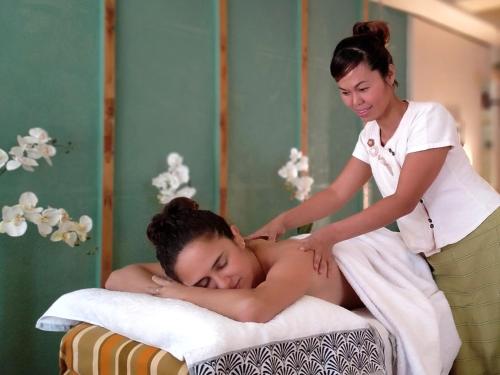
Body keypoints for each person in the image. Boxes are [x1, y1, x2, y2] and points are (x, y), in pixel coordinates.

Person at [248, 20, 500, 374]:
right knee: (468, 354)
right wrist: (282, 222)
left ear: (389, 74)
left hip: (482, 239)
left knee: (492, 348)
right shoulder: (370, 138)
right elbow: (337, 193)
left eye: (363, 87)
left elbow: (403, 201)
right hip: (439, 259)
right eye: (345, 91)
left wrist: (329, 235)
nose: (355, 101)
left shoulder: (428, 119)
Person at [105, 197, 363, 323]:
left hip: (393, 262)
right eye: (204, 283)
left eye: (221, 264)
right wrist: (170, 289)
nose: (223, 282)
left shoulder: (297, 257)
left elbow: (254, 308)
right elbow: (118, 278)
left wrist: (183, 294)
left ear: (238, 237)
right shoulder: (196, 268)